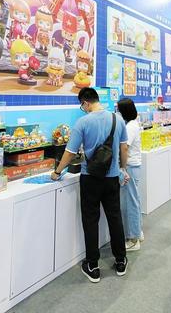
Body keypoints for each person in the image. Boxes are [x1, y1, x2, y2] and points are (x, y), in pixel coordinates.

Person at [51, 87, 130, 283]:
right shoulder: (118, 119)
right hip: (112, 177)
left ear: (86, 103)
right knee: (115, 218)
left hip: (90, 178)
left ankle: (93, 266)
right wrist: (122, 168)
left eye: (82, 106)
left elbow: (70, 152)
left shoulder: (83, 122)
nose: (83, 109)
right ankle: (121, 260)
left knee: (90, 220)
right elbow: (124, 148)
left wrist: (57, 171)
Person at [117, 98, 143, 251]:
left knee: (130, 203)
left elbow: (124, 148)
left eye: (118, 110)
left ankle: (133, 239)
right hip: (133, 166)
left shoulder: (130, 127)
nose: (117, 113)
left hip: (130, 167)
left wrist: (122, 168)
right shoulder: (132, 124)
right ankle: (138, 232)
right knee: (134, 200)